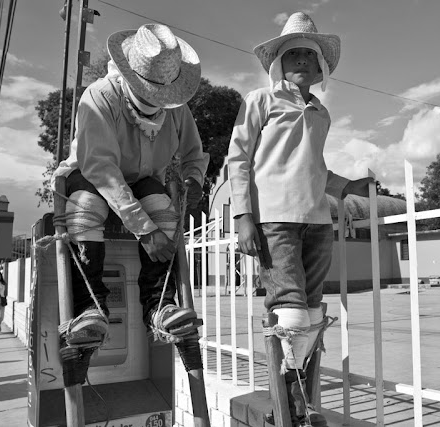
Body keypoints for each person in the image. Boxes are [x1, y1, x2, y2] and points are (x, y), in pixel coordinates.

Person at [227, 12, 373, 426]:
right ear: (279, 61)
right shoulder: (260, 101)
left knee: (309, 315)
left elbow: (316, 168)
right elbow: (237, 158)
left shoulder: (321, 112)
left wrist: (348, 187)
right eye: (295, 54)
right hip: (274, 219)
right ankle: (290, 407)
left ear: (321, 65)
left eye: (311, 55)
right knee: (289, 316)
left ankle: (293, 405)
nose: (303, 62)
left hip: (317, 222)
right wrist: (243, 217)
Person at [52, 23, 209, 346]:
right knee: (84, 206)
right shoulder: (100, 97)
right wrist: (144, 230)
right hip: (92, 179)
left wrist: (194, 178)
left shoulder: (176, 108)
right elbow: (101, 168)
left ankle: (158, 306)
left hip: (141, 183)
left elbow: (193, 152)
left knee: (163, 209)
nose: (157, 100)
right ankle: (89, 307)